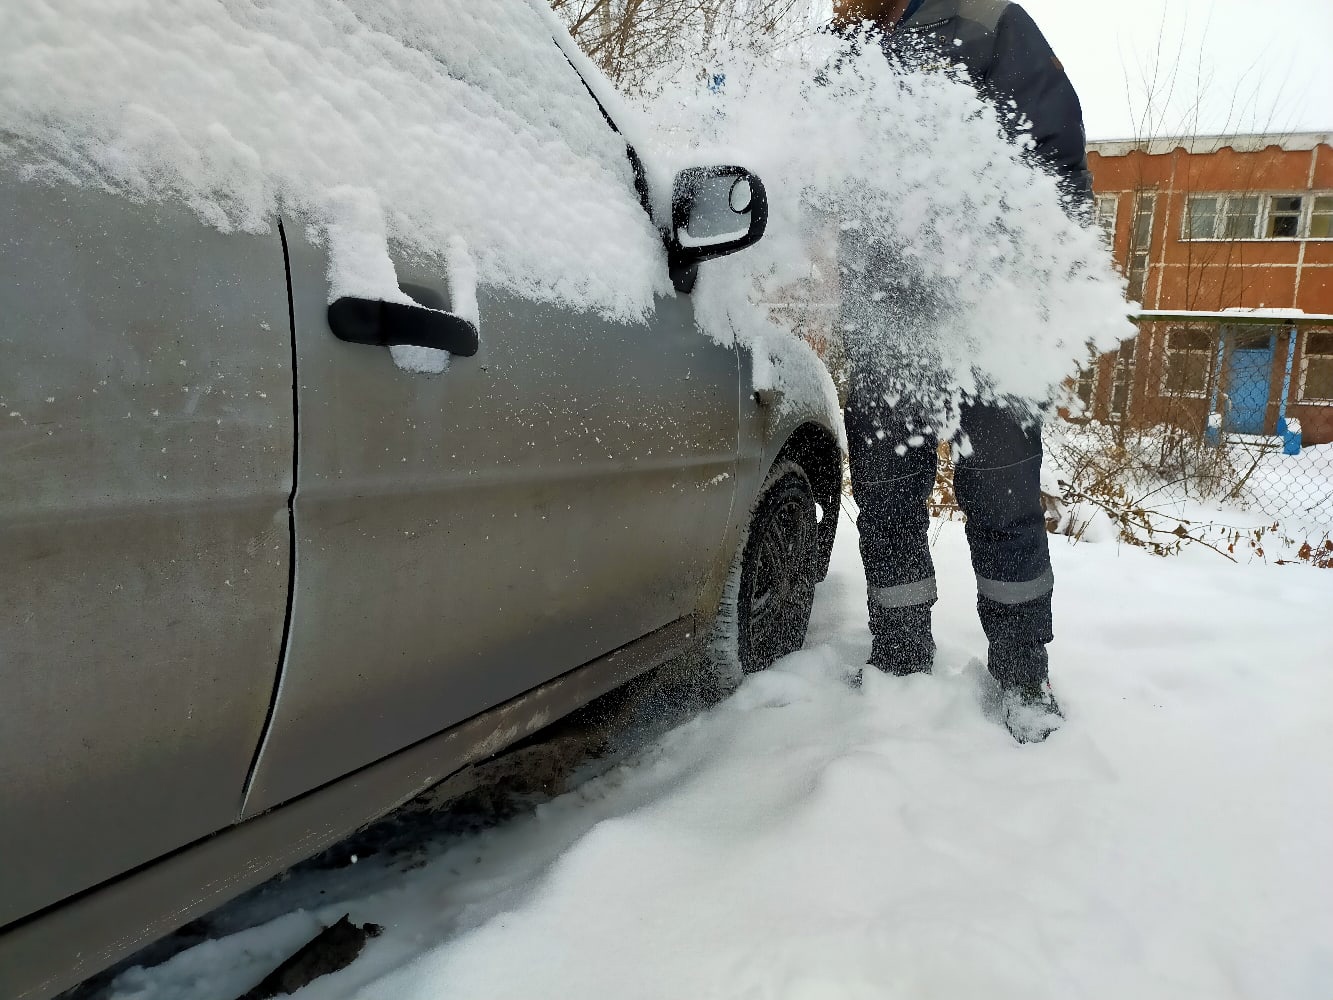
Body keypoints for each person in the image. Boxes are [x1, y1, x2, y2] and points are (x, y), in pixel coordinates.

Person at [829, 0, 1093, 743]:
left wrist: (1043, 279)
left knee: (1002, 500)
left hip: (987, 318)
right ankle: (900, 657)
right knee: (885, 503)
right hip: (883, 324)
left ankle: (1019, 672)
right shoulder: (844, 47)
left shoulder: (985, 19)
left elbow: (1053, 152)